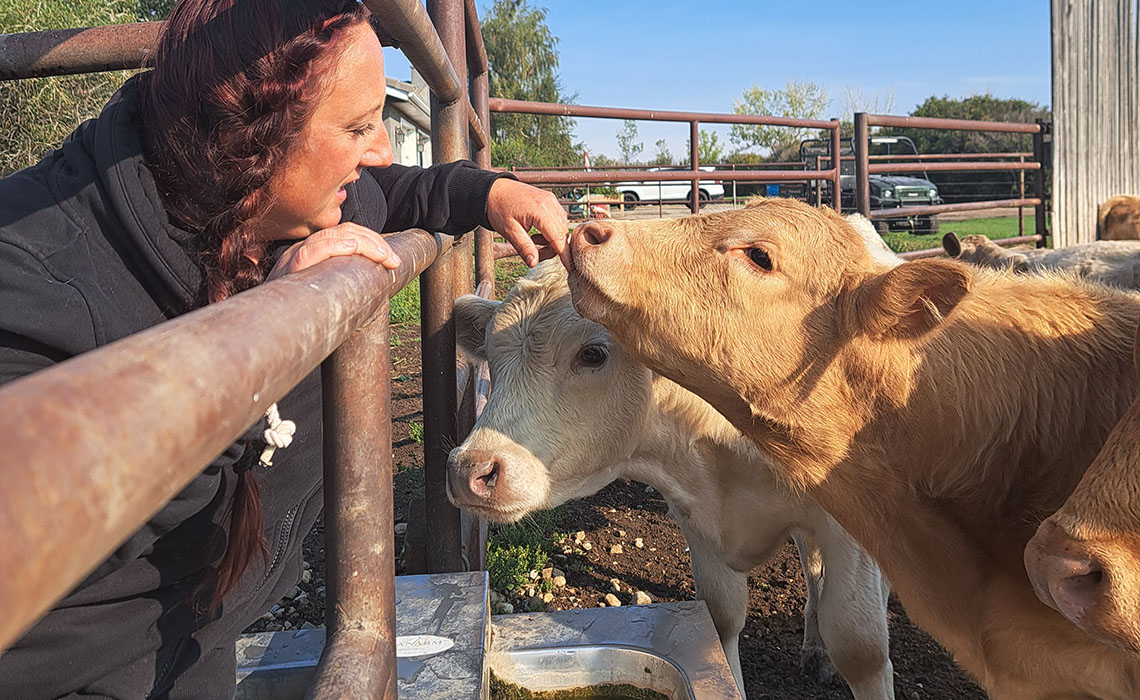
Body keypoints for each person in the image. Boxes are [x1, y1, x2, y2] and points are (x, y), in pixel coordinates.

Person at [0, 1, 568, 698]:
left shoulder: (291, 195)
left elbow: (404, 188)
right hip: (98, 669)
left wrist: (491, 191)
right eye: (359, 127)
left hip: (202, 628)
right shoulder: (32, 282)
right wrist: (268, 325)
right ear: (256, 137)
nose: (382, 149)